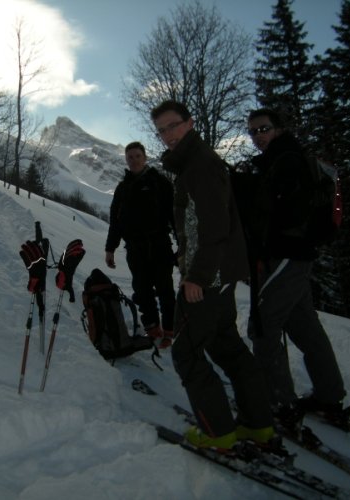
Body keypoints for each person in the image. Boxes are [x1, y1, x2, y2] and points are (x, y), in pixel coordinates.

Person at [150, 100, 274, 450]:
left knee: (187, 353)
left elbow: (215, 225)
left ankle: (217, 433)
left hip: (207, 278)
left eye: (172, 126)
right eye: (160, 130)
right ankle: (258, 423)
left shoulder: (199, 165)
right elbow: (201, 221)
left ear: (189, 123)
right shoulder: (196, 161)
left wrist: (197, 276)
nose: (167, 136)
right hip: (220, 272)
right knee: (226, 344)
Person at [234, 108, 346, 428]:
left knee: (264, 325)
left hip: (285, 255)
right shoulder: (279, 161)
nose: (257, 136)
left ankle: (277, 404)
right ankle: (329, 394)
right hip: (294, 257)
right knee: (303, 325)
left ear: (279, 129)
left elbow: (281, 213)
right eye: (252, 131)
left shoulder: (287, 162)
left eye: (263, 129)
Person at [104, 141, 176, 349]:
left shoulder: (160, 183)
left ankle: (170, 329)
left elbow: (173, 217)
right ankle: (152, 326)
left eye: (137, 156)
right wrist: (110, 249)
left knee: (164, 289)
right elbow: (115, 221)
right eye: (130, 157)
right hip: (134, 248)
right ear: (126, 160)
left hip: (159, 245)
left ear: (145, 158)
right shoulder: (123, 188)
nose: (134, 160)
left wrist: (183, 247)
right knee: (142, 289)